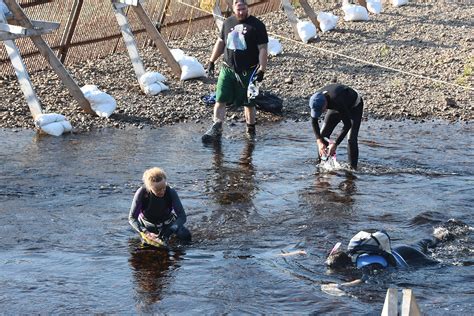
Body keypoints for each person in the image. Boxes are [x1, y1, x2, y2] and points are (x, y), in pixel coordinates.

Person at [202, 0, 268, 142]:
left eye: (243, 9)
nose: (241, 12)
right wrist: (211, 61)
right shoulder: (228, 23)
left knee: (249, 102)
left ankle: (251, 130)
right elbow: (220, 42)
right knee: (220, 98)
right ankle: (217, 126)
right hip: (227, 69)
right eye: (238, 9)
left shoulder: (257, 25)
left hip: (250, 71)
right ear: (233, 9)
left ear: (247, 8)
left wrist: (262, 69)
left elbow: (263, 48)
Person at [129, 167, 191, 244]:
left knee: (186, 236)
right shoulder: (141, 193)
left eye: (164, 188)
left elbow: (182, 216)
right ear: (150, 188)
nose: (162, 192)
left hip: (168, 223)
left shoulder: (171, 192)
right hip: (147, 225)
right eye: (158, 190)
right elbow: (132, 218)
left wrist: (171, 229)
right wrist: (145, 232)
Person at [309, 83, 363, 170]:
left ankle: (352, 170)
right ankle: (321, 165)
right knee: (322, 136)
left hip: (354, 106)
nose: (321, 113)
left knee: (351, 139)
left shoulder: (336, 100)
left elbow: (347, 125)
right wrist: (319, 142)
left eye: (321, 110)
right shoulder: (316, 99)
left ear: (325, 104)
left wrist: (335, 144)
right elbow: (314, 121)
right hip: (336, 106)